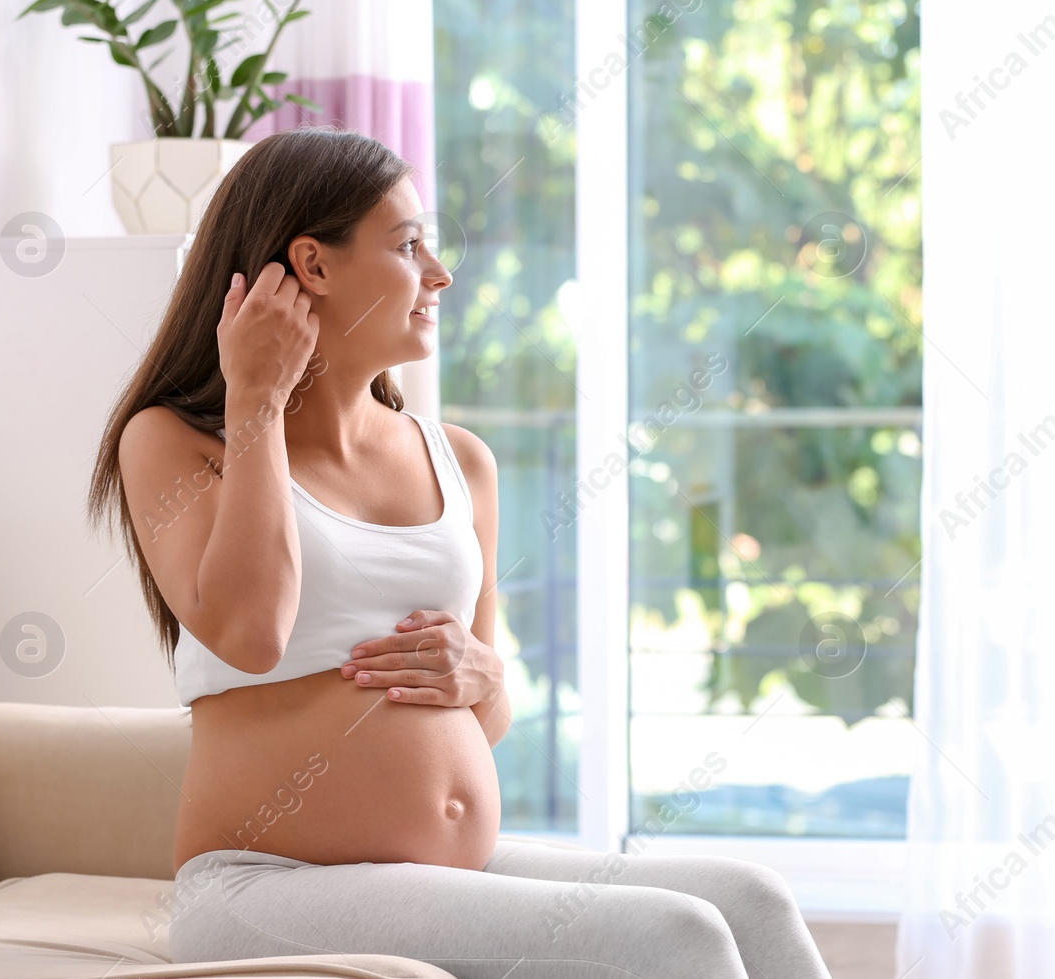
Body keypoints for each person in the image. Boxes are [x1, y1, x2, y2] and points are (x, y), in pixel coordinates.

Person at [88, 127, 832, 979]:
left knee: (754, 901)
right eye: (408, 245)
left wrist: (484, 676)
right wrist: (257, 400)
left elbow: (487, 709)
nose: (440, 274)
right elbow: (250, 631)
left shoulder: (460, 461)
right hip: (262, 888)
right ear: (313, 266)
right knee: (677, 941)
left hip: (440, 872)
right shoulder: (179, 442)